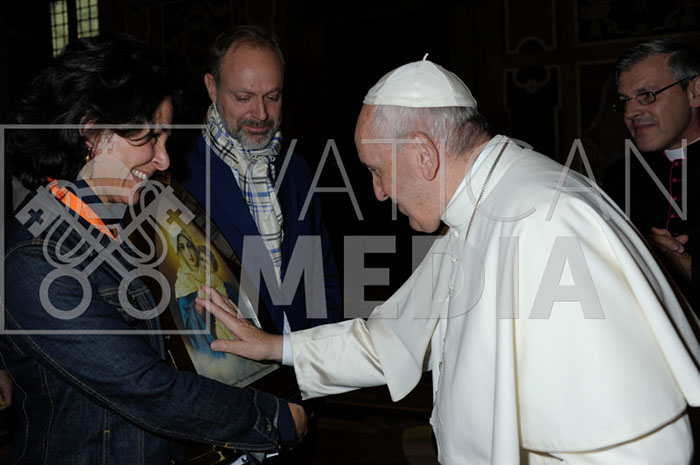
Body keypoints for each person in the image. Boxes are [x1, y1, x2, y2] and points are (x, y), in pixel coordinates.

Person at [201, 57, 700, 464]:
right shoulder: (477, 208)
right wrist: (275, 347)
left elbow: (636, 447)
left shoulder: (545, 223)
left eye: (377, 169)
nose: (378, 192)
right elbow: (391, 339)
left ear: (423, 153)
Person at [1, 33, 305, 464]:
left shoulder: (115, 224)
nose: (164, 160)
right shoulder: (34, 260)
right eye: (150, 138)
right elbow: (145, 387)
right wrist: (271, 418)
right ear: (91, 132)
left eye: (166, 139)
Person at [178, 25, 342, 337]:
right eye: (244, 97)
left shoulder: (297, 169)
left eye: (273, 97)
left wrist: (323, 347)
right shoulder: (179, 175)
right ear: (212, 88)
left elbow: (320, 275)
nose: (262, 113)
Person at [603, 38, 700, 310]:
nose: (631, 112)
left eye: (647, 95)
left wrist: (686, 267)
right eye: (624, 101)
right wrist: (638, 250)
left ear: (695, 92)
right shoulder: (619, 177)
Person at [174, 231, 224, 357]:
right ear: (179, 253)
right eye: (182, 248)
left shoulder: (208, 272)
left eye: (189, 246)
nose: (189, 253)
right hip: (205, 338)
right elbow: (188, 320)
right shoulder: (182, 282)